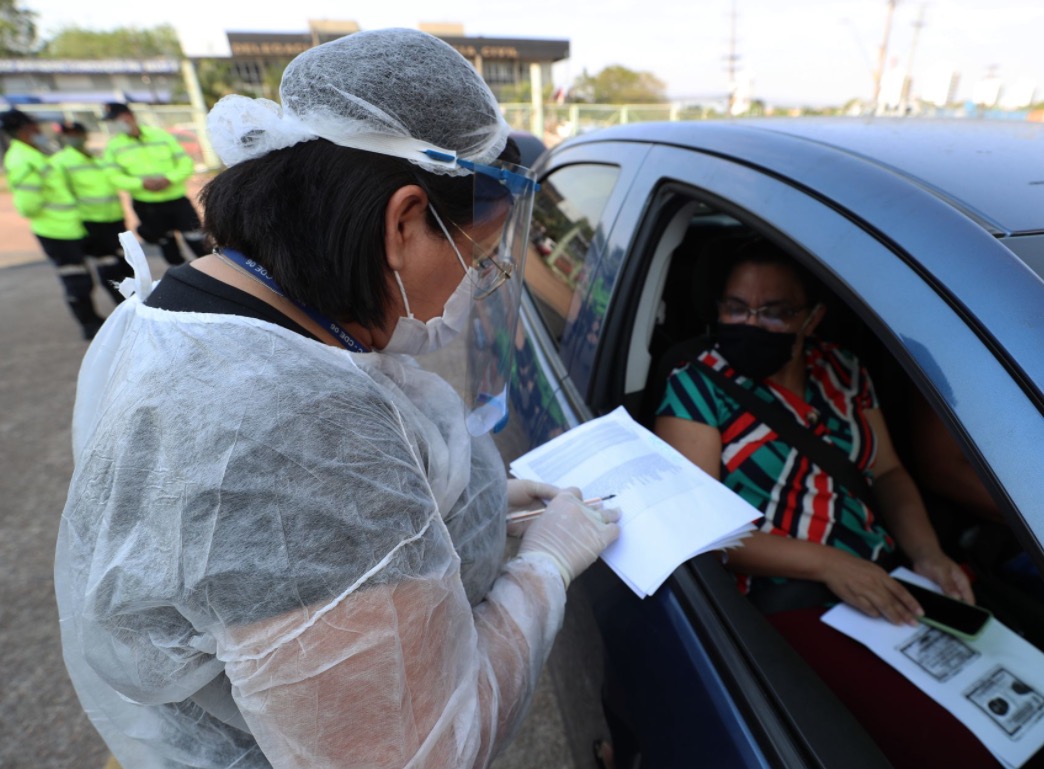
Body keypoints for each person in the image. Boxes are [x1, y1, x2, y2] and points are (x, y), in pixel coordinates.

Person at [55, 29, 619, 769]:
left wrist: (467, 501)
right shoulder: (294, 427)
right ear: (404, 221)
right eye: (477, 258)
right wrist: (544, 568)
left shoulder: (184, 313)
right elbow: (419, 752)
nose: (473, 284)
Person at [652, 239, 1008, 768]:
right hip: (784, 596)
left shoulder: (843, 371)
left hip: (885, 577)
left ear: (812, 317)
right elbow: (702, 530)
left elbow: (886, 472)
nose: (750, 324)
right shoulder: (696, 386)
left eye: (774, 312)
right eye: (735, 308)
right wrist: (831, 563)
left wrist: (928, 554)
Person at [1, 108, 105, 339]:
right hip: (55, 230)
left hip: (67, 227)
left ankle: (93, 320)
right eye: (34, 126)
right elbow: (28, 205)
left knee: (82, 278)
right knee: (76, 280)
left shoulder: (32, 153)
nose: (39, 130)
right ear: (25, 129)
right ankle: (89, 325)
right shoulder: (22, 159)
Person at [100, 101, 208, 265]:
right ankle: (186, 281)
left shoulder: (161, 136)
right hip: (147, 205)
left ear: (128, 116)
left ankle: (214, 277)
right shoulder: (114, 146)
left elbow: (185, 163)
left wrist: (169, 179)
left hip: (176, 200)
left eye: (116, 119)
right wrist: (140, 184)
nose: (114, 125)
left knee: (199, 242)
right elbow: (112, 175)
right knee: (168, 248)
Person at [49, 121, 134, 305]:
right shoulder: (60, 161)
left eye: (77, 133)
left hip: (113, 219)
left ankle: (134, 302)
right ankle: (123, 305)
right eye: (69, 134)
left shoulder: (97, 158)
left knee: (125, 264)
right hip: (91, 221)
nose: (74, 137)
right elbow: (62, 194)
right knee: (108, 267)